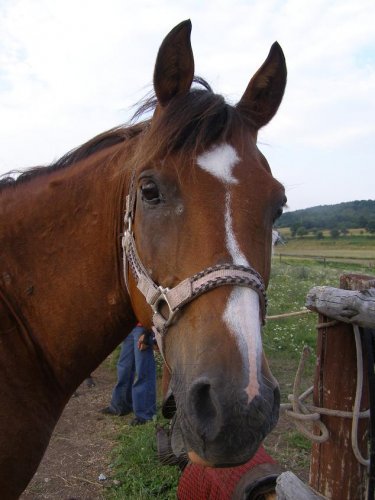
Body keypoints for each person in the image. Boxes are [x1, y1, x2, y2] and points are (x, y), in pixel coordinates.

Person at [100, 324, 156, 425]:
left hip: (143, 328)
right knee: (124, 367)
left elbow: (152, 310)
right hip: (130, 327)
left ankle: (145, 415)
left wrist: (147, 334)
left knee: (143, 370)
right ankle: (120, 406)